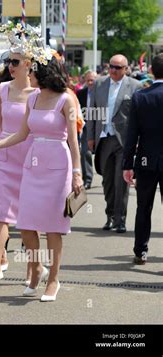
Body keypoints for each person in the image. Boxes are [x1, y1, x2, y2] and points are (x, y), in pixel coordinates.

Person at [0, 54, 83, 302]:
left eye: (32, 71)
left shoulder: (66, 100)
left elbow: (74, 143)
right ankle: (36, 269)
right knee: (26, 224)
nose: (28, 75)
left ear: (43, 74)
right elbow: (21, 134)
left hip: (58, 166)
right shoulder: (32, 98)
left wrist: (77, 174)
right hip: (32, 166)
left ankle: (53, 279)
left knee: (53, 228)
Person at [0, 47, 37, 290]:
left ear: (29, 63)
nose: (10, 66)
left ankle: (33, 268)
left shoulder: (39, 92)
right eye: (8, 61)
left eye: (15, 61)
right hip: (3, 156)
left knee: (28, 218)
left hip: (30, 159)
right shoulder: (2, 89)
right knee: (0, 215)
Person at [87, 54, 143, 233]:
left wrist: (138, 141)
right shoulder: (99, 84)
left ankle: (120, 219)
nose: (113, 70)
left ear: (126, 69)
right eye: (111, 66)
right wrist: (90, 136)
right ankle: (110, 215)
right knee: (107, 181)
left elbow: (139, 117)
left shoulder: (135, 86)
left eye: (117, 67)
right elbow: (92, 111)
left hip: (124, 141)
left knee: (121, 181)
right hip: (103, 138)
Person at [122, 53, 163, 265]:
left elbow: (132, 135)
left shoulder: (141, 96)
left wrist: (127, 164)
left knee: (143, 207)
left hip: (146, 159)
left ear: (151, 71)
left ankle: (140, 250)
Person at [77, 70, 97, 189]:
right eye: (88, 80)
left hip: (100, 126)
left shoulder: (102, 93)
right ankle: (87, 179)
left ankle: (107, 178)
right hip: (86, 127)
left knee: (105, 154)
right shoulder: (80, 93)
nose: (90, 82)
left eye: (92, 80)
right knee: (85, 152)